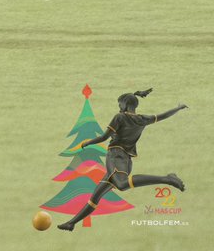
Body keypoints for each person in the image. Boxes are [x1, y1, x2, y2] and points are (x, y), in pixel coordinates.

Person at [58, 89, 187, 232]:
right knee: (96, 196)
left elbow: (104, 137)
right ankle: (72, 223)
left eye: (120, 104)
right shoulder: (143, 119)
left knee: (122, 184)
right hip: (126, 161)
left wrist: (86, 143)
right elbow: (163, 116)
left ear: (124, 105)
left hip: (115, 156)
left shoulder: (119, 117)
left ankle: (167, 179)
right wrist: (178, 108)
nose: (119, 107)